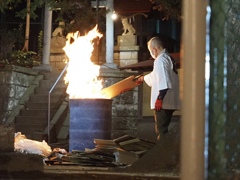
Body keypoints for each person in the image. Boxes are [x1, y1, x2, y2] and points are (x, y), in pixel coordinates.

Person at [136, 36, 180, 140]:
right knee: (164, 129)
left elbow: (163, 80)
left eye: (150, 51)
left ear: (154, 49)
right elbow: (156, 76)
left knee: (161, 131)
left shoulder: (160, 60)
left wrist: (159, 99)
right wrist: (143, 78)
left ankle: (163, 153)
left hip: (163, 103)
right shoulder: (168, 58)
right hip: (170, 101)